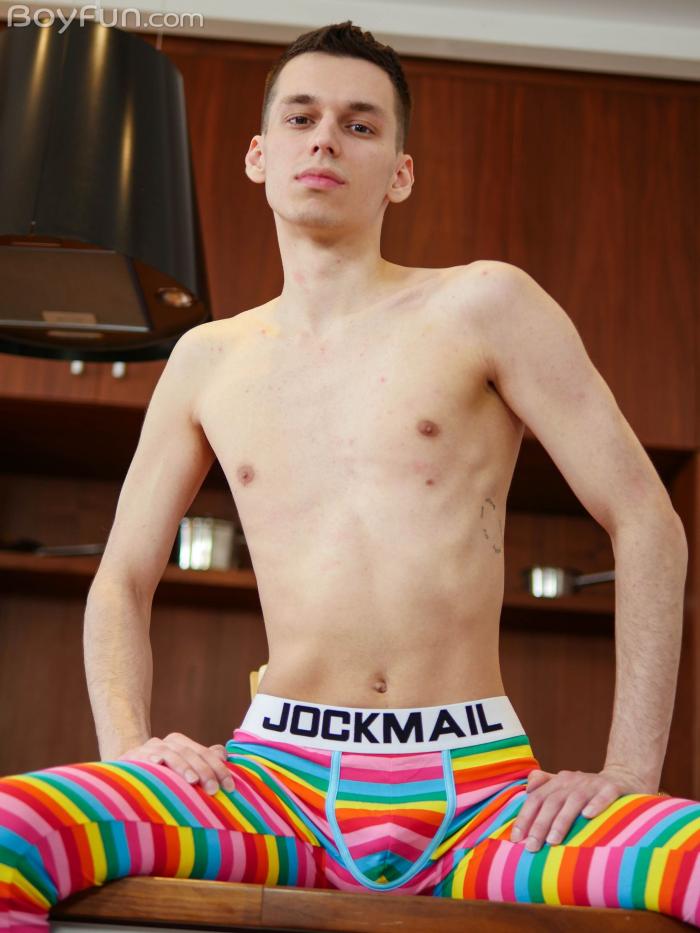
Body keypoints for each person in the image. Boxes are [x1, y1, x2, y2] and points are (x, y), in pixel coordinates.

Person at [1, 19, 698, 931]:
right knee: (8, 833)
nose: (325, 138)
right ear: (260, 156)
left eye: (359, 124)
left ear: (399, 172)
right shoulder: (207, 358)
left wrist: (628, 772)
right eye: (301, 118)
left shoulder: (486, 303)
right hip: (271, 789)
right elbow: (121, 580)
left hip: (486, 798)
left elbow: (647, 518)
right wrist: (130, 749)